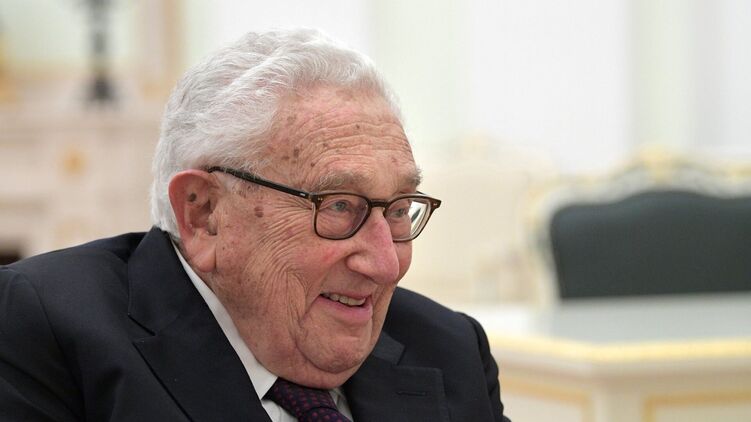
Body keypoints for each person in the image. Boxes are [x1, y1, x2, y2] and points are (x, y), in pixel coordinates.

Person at [0, 28, 509, 421]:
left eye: (397, 209)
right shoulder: (42, 329)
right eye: (339, 206)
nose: (385, 263)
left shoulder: (451, 350)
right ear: (205, 214)